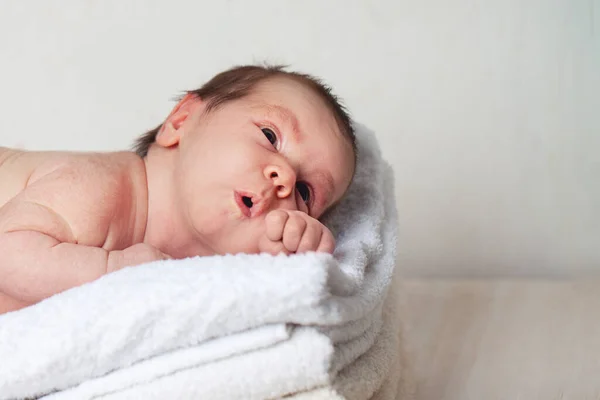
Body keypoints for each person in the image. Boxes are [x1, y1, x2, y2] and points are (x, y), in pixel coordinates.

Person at [0, 65, 357, 314]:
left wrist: (297, 256)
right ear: (181, 120)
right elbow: (7, 251)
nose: (285, 178)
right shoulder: (102, 188)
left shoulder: (201, 283)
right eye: (269, 136)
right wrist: (116, 270)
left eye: (306, 193)